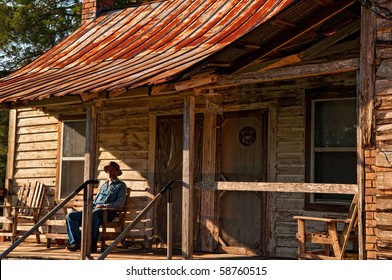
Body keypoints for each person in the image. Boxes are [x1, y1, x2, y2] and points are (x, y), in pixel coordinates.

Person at [66, 161, 127, 253]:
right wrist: (88, 207)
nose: (110, 172)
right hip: (95, 209)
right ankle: (76, 242)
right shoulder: (104, 185)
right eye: (108, 170)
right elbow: (95, 201)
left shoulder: (121, 186)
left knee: (94, 215)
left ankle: (92, 244)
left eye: (112, 170)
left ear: (117, 172)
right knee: (71, 216)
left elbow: (120, 203)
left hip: (108, 212)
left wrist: (104, 205)